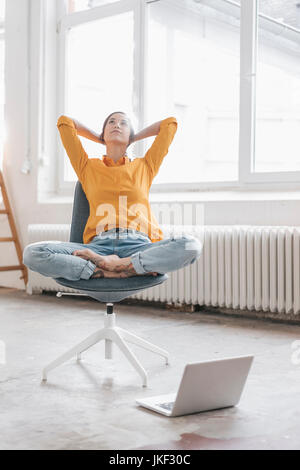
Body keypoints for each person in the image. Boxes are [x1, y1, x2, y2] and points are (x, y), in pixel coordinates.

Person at [23, 111, 202, 280]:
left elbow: (169, 124)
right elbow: (65, 122)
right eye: (112, 122)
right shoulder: (87, 167)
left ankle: (120, 265)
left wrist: (132, 138)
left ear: (130, 134)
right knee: (33, 253)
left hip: (139, 245)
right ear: (103, 132)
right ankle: (113, 270)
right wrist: (101, 138)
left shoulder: (145, 166)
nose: (117, 125)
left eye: (124, 123)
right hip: (98, 247)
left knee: (191, 245)